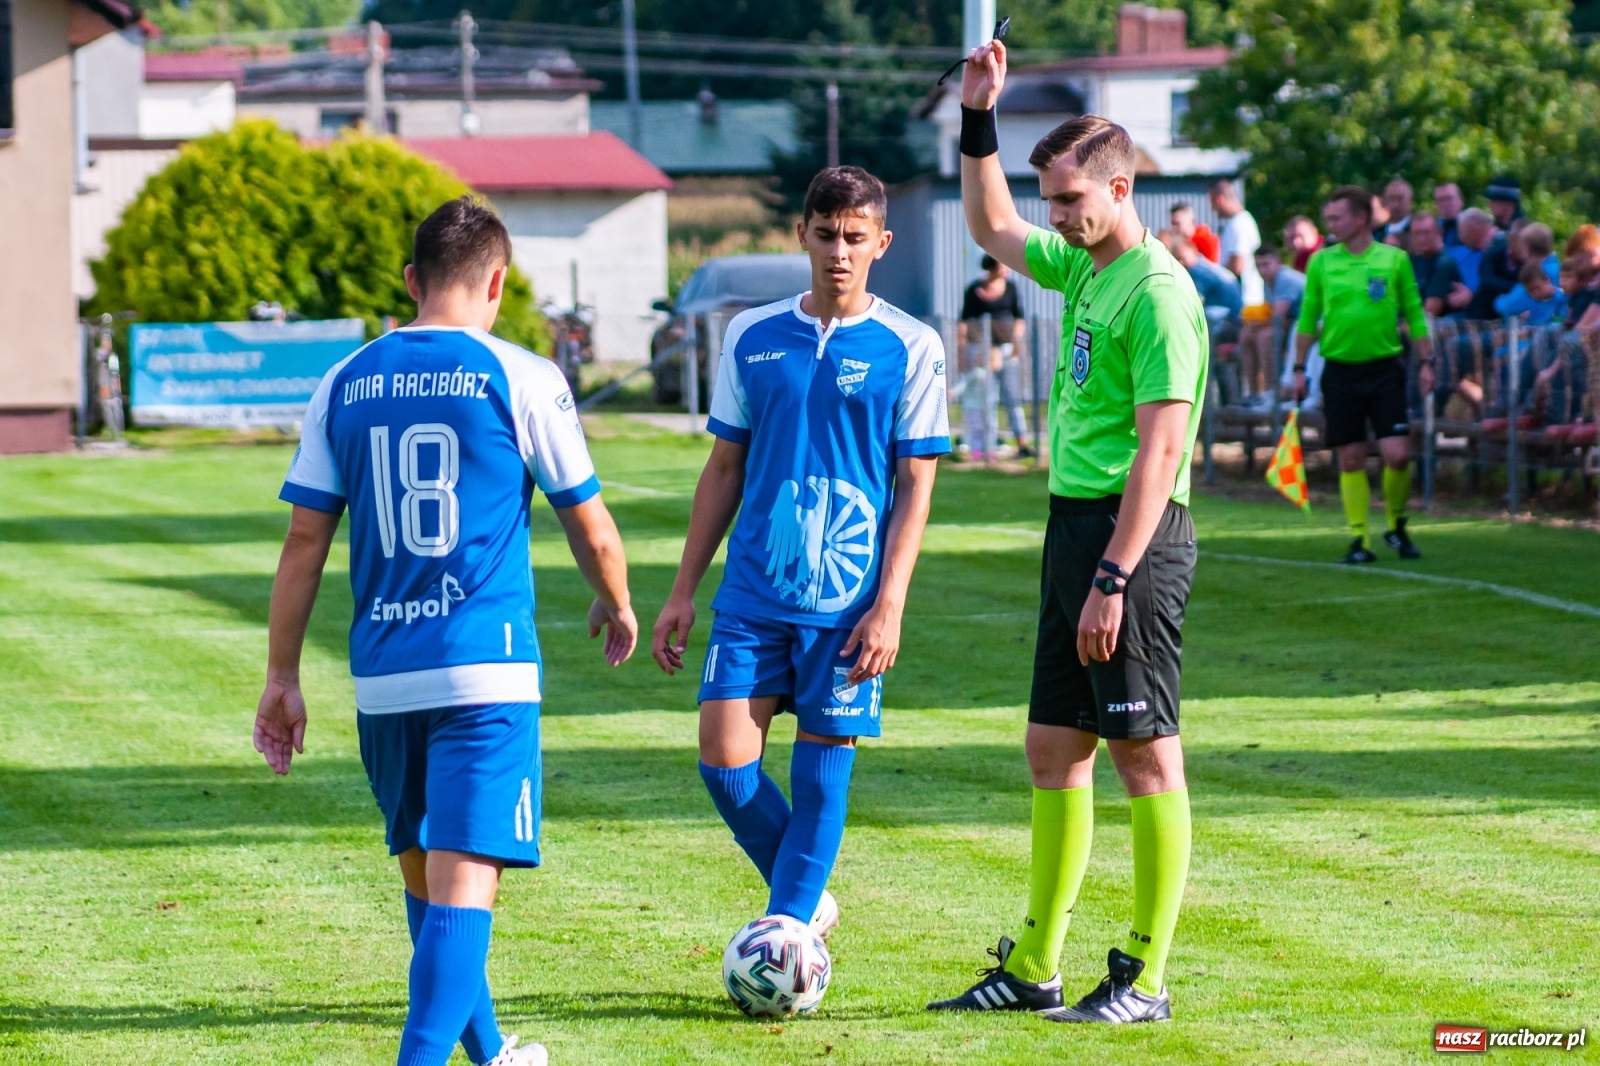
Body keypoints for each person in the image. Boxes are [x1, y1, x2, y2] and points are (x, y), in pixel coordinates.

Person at [255, 197, 638, 1066]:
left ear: (410, 282)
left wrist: (283, 676)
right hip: (484, 676)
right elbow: (592, 524)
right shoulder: (522, 375)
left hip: (384, 680)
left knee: (430, 889)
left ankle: (493, 1054)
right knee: (464, 889)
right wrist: (616, 602)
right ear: (497, 281)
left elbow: (304, 540)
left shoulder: (345, 380)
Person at [928, 36, 1206, 1026]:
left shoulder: (1162, 295)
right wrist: (977, 117)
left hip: (1129, 542)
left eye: (1070, 200)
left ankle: (1144, 973)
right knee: (1054, 749)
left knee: (1143, 756)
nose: (1053, 216)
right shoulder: (1087, 266)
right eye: (1052, 198)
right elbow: (990, 220)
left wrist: (1114, 576)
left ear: (1119, 186)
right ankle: (1037, 962)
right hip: (1070, 530)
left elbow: (1160, 453)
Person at [650, 167, 947, 957]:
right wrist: (683, 590)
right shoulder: (751, 334)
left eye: (856, 239)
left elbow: (917, 486)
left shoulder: (912, 347)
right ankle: (805, 899)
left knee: (821, 774)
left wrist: (890, 604)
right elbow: (723, 470)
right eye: (826, 236)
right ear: (803, 236)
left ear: (882, 243)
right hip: (752, 590)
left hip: (849, 604)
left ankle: (785, 937)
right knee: (724, 762)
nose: (839, 253)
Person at [1294, 186, 1433, 564]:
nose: (1331, 224)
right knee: (1351, 457)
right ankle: (1360, 539)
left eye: (1337, 217)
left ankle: (1395, 524)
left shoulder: (1394, 260)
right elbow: (1308, 318)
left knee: (1398, 454)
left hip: (1385, 369)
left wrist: (1427, 361)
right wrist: (1298, 368)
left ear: (1361, 218)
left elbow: (1415, 314)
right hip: (1339, 371)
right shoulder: (1321, 263)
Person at [959, 254, 1033, 458]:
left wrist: (1017, 341)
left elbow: (1019, 318)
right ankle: (985, 446)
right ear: (992, 266)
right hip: (981, 352)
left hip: (1006, 350)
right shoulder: (974, 290)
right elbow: (964, 322)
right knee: (986, 398)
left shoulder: (1011, 288)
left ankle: (1022, 443)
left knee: (1012, 396)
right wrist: (963, 352)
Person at [1254, 244, 1308, 404]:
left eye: (1266, 265)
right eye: (1258, 266)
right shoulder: (1267, 281)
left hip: (1306, 325)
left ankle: (1274, 389)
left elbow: (1278, 317)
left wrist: (1253, 325)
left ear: (1278, 262)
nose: (1262, 270)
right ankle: (1254, 390)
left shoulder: (1285, 279)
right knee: (1247, 336)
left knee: (1265, 337)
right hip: (1293, 323)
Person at [1408, 212, 1466, 318]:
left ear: (1439, 232)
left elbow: (1430, 312)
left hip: (1442, 328)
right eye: (1417, 233)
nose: (1422, 238)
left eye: (1426, 233)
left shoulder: (1445, 263)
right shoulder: (1413, 261)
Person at [1496, 259, 1567, 327]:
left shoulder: (1563, 298)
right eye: (1530, 291)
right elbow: (1502, 306)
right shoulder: (1529, 303)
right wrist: (1521, 320)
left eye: (1537, 288)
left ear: (1547, 280)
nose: (1536, 293)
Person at [1381, 178, 1414, 247]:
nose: (1395, 204)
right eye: (1391, 198)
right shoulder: (1378, 231)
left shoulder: (1418, 229)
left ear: (1411, 200)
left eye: (1400, 199)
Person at [1434, 183, 1464, 247]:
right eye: (1441, 200)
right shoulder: (1434, 229)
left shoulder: (1472, 225)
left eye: (1449, 198)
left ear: (1461, 200)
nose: (1445, 204)